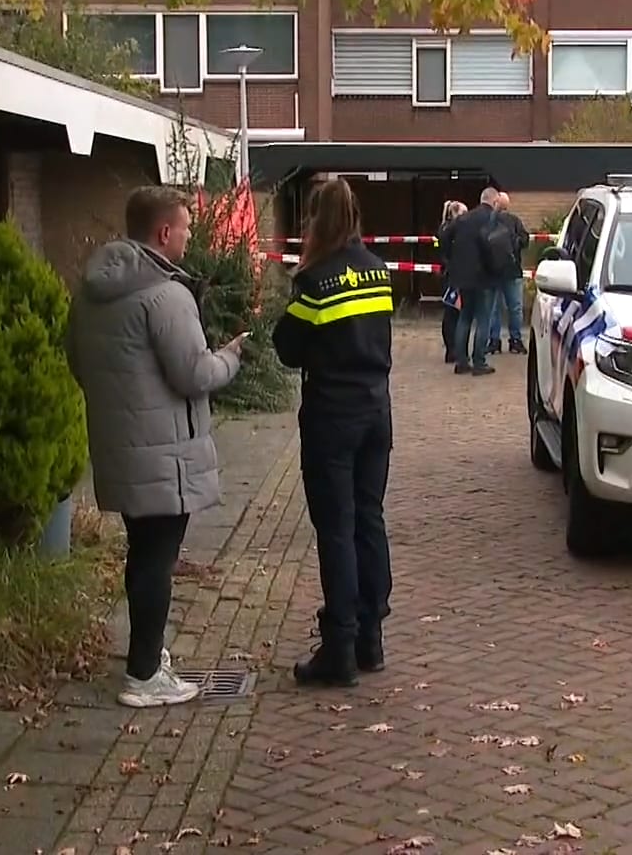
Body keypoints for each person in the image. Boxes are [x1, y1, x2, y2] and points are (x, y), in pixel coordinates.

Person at [68, 185, 246, 708]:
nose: (190, 238)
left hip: (121, 448)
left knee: (142, 552)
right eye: (187, 229)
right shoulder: (167, 296)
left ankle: (146, 655)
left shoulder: (91, 291)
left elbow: (79, 362)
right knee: (156, 560)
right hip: (165, 453)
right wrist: (231, 357)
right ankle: (144, 676)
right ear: (164, 233)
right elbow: (194, 373)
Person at [272, 179, 396, 687]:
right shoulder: (379, 271)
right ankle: (372, 638)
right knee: (369, 519)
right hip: (376, 412)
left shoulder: (316, 281)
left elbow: (286, 347)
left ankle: (339, 647)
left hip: (332, 417)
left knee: (336, 528)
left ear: (317, 221)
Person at [443, 187, 506, 376]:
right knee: (484, 319)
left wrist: (451, 259)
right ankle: (479, 362)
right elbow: (498, 247)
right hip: (485, 277)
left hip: (463, 277)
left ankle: (461, 361)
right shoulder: (493, 219)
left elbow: (445, 235)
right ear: (494, 202)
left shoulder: (464, 218)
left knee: (465, 318)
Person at [484, 192, 530, 355]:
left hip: (493, 271)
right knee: (515, 308)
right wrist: (515, 244)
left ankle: (494, 341)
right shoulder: (515, 221)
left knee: (493, 309)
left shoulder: (489, 221)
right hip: (512, 270)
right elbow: (525, 240)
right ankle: (515, 340)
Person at [435, 200, 467, 363]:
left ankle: (452, 349)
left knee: (451, 313)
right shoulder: (451, 231)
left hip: (449, 274)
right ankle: (453, 349)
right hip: (453, 275)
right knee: (453, 313)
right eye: (463, 213)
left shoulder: (444, 229)